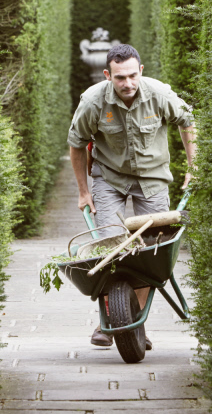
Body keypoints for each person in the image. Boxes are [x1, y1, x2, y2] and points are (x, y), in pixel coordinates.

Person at [67, 44, 197, 348]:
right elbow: (76, 143)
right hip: (109, 178)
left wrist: (195, 168)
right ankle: (111, 320)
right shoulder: (93, 101)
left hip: (152, 179)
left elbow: (188, 123)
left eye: (131, 76)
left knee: (150, 252)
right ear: (107, 75)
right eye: (119, 77)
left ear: (140, 71)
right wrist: (84, 191)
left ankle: (133, 323)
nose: (127, 84)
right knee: (111, 247)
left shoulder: (160, 94)